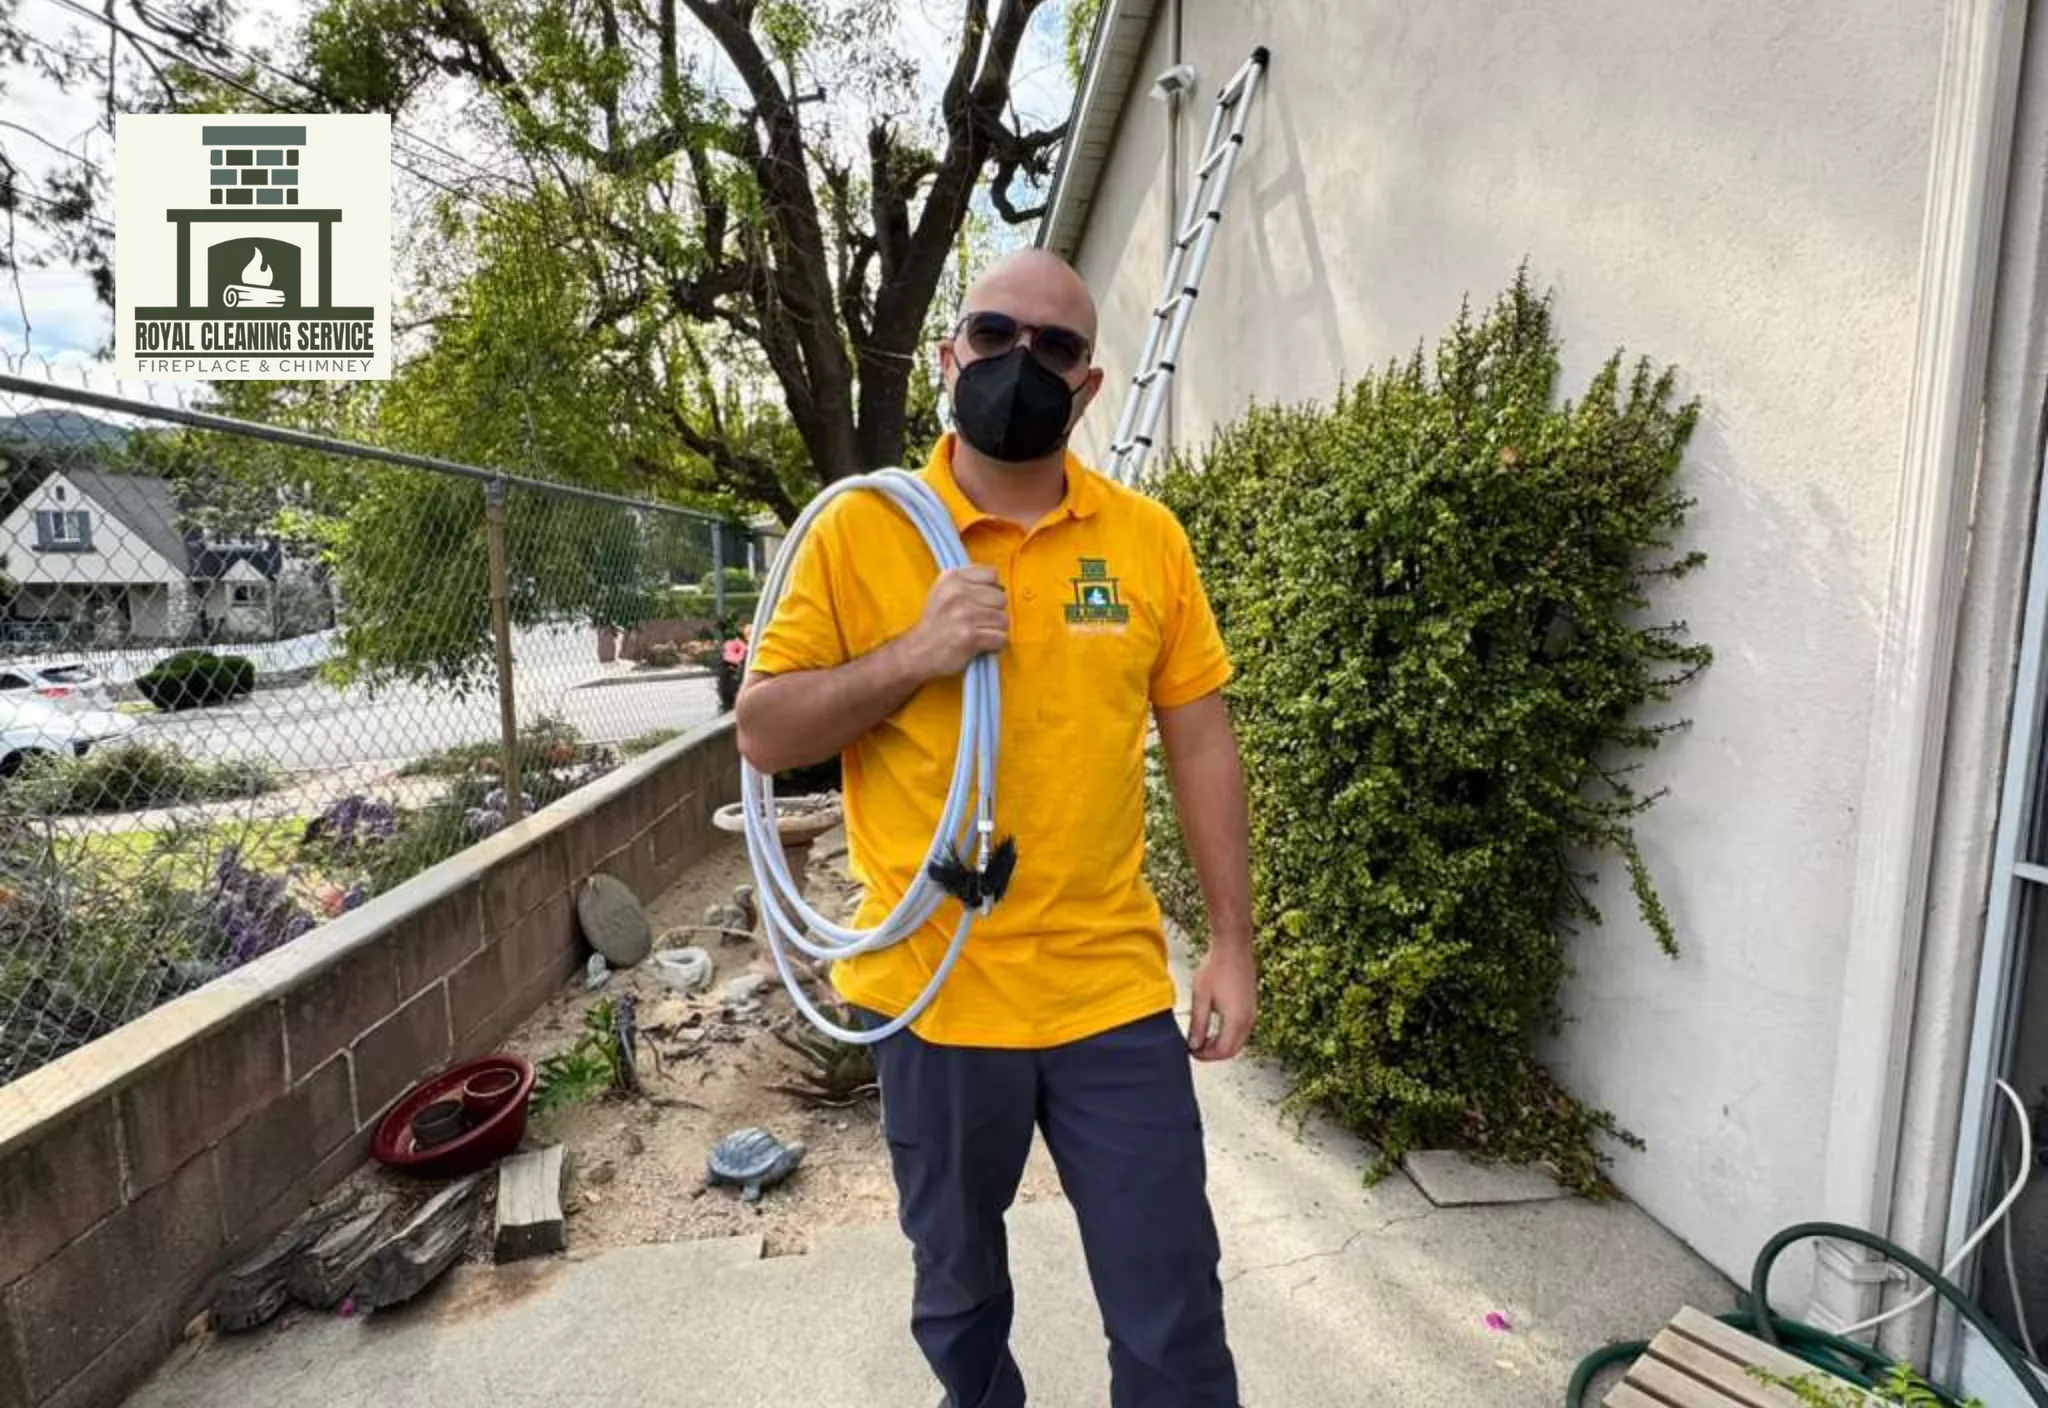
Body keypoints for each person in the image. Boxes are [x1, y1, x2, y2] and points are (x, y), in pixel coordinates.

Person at [735, 248, 1256, 1408]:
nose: (1019, 360)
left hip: (1105, 990)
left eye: (1054, 347)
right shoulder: (860, 532)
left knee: (1173, 1301)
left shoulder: (1144, 541)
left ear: (1088, 385)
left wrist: (1231, 941)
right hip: (935, 989)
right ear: (947, 353)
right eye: (992, 334)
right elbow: (764, 730)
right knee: (959, 1290)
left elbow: (1201, 743)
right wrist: (916, 652)